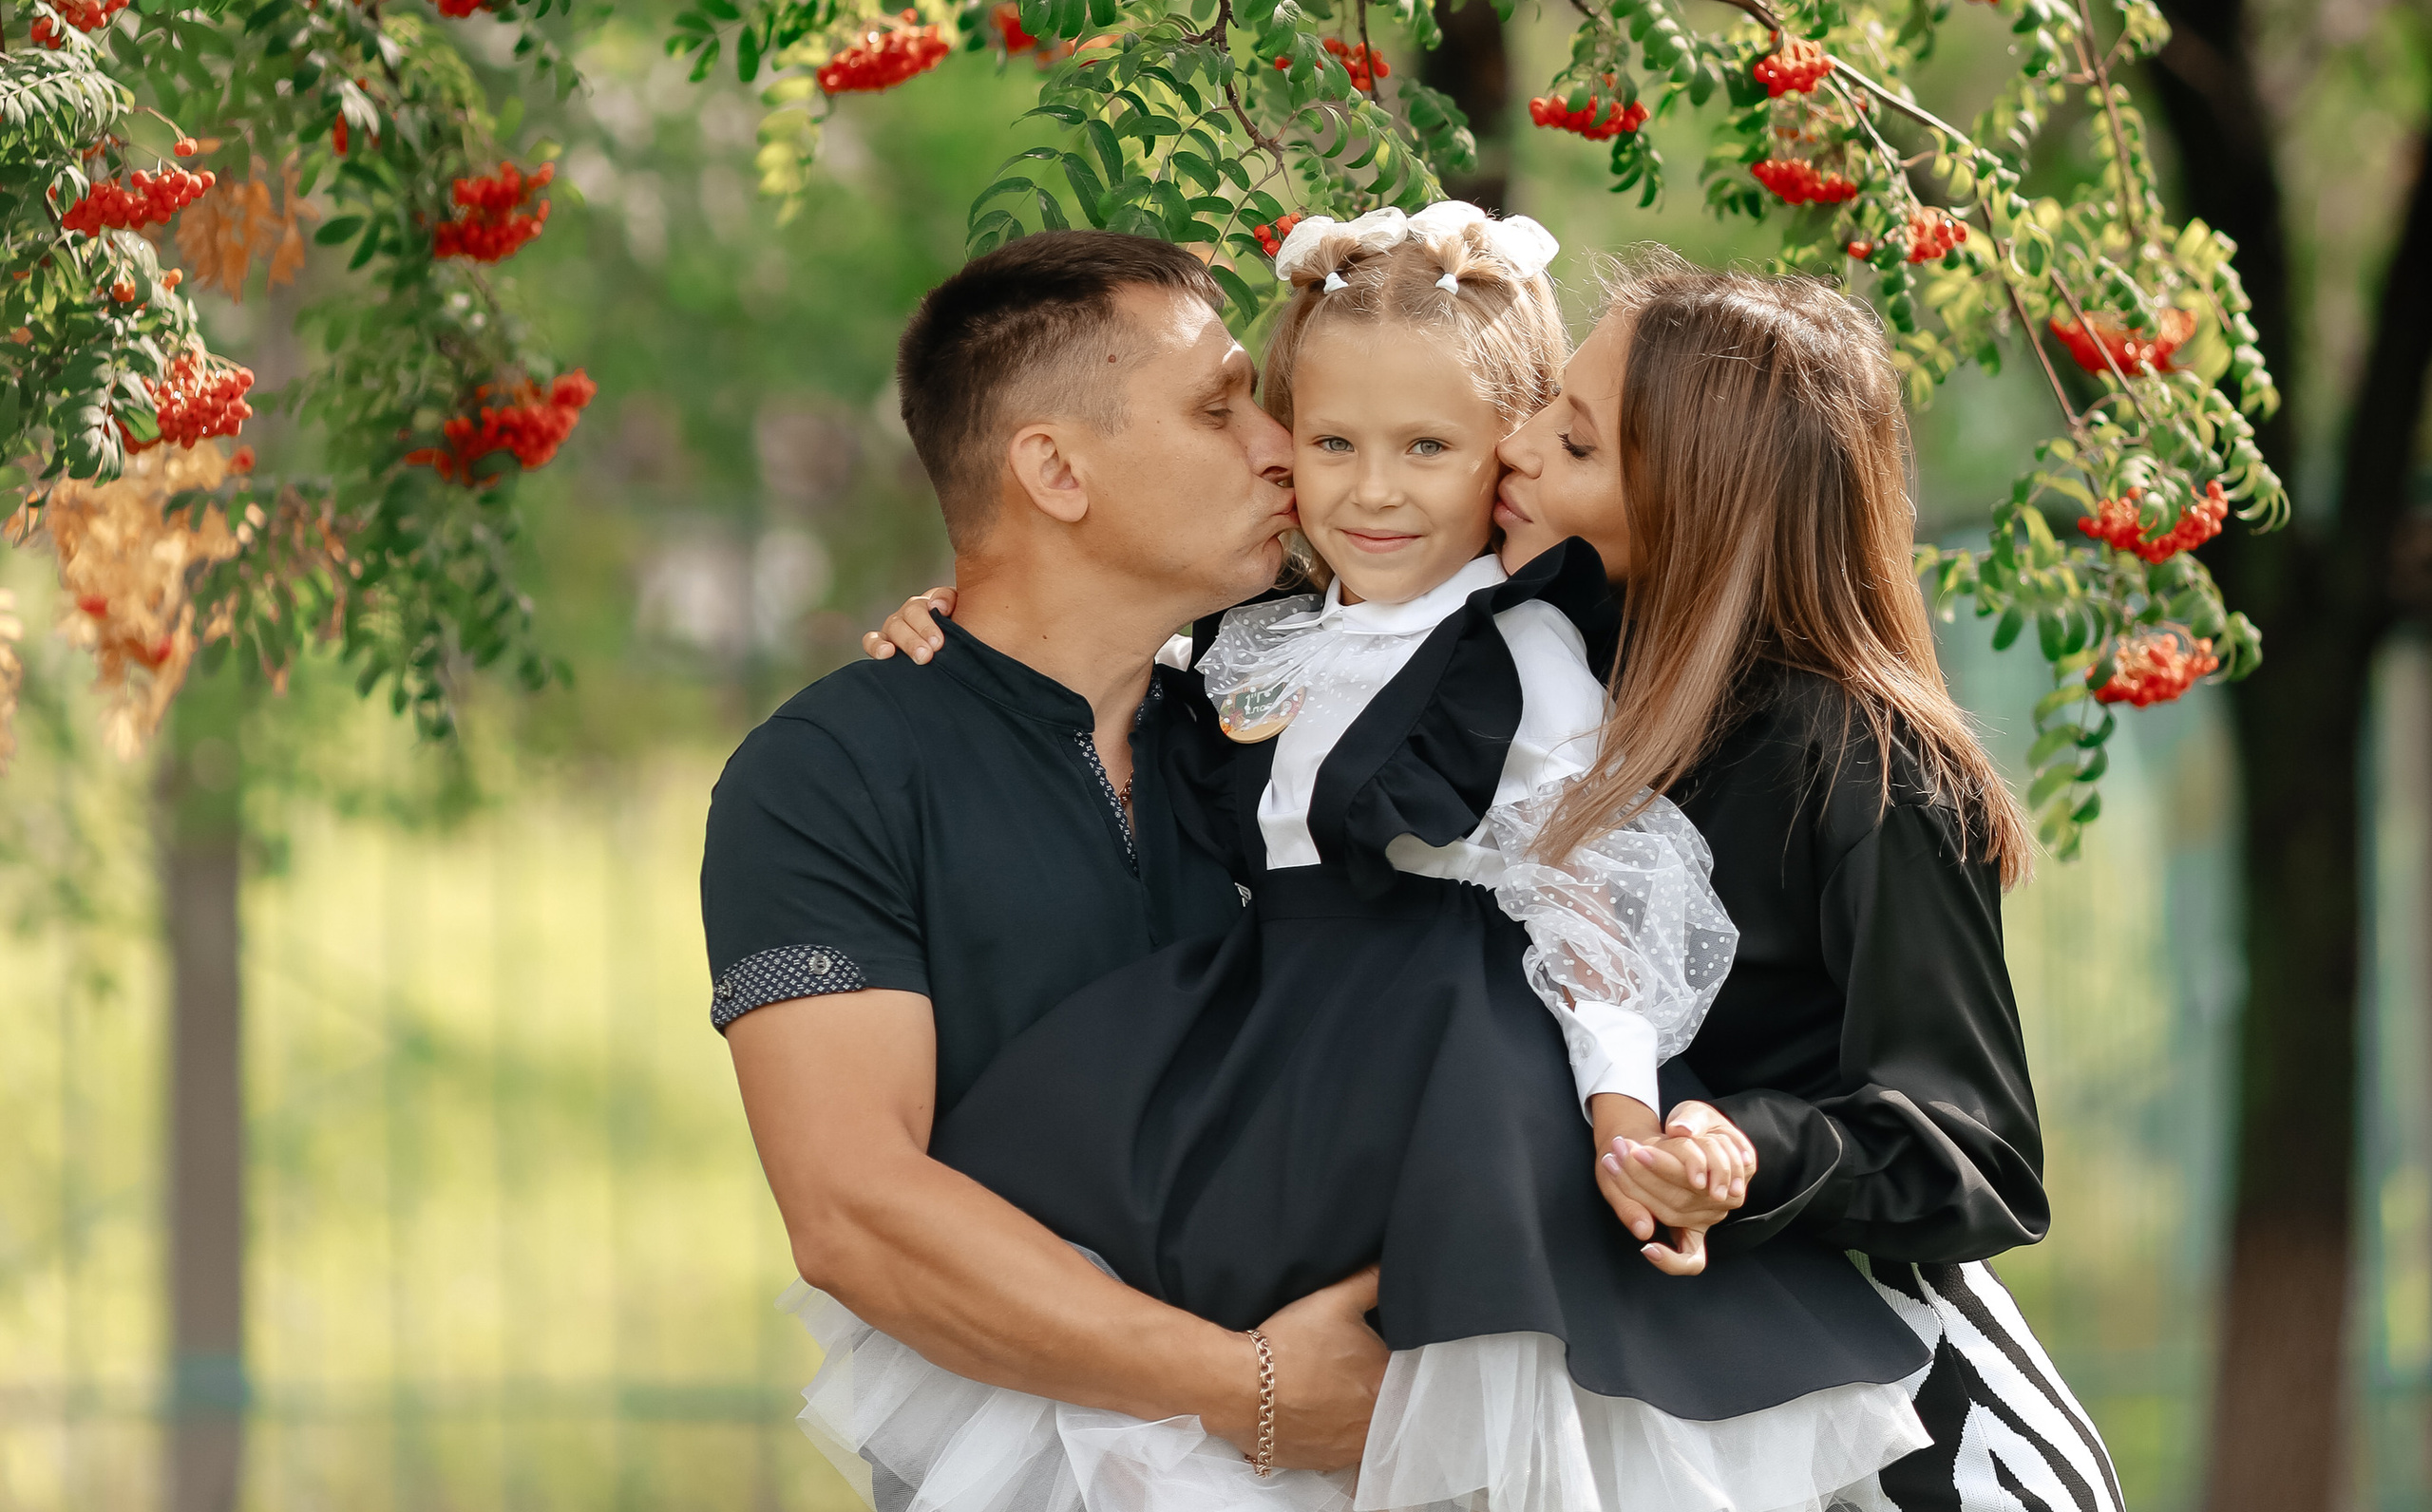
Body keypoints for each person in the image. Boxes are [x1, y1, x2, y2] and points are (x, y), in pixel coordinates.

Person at [841, 203, 1935, 1512]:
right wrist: (959, 619)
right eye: (1331, 443)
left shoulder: (1522, 660)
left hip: (1449, 1056)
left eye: (1428, 446)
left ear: (1507, 450)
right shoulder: (1259, 635)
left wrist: (1621, 1107)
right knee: (1133, 1308)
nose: (1372, 489)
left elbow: (1589, 889)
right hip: (1265, 1056)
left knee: (1459, 1390)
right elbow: (1091, 640)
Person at [699, 230, 1398, 1506]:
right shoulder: (826, 775)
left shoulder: (1291, 722)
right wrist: (1245, 1387)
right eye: (1218, 406)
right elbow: (854, 1207)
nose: (1278, 447)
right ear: (1056, 471)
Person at [1491, 259, 2124, 1512]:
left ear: (1694, 501)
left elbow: (1977, 1150)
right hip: (1635, 1377)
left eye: (1568, 439)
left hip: (1883, 1429)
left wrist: (1747, 1147)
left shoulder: (1864, 763)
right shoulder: (1532, 671)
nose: (1508, 449)